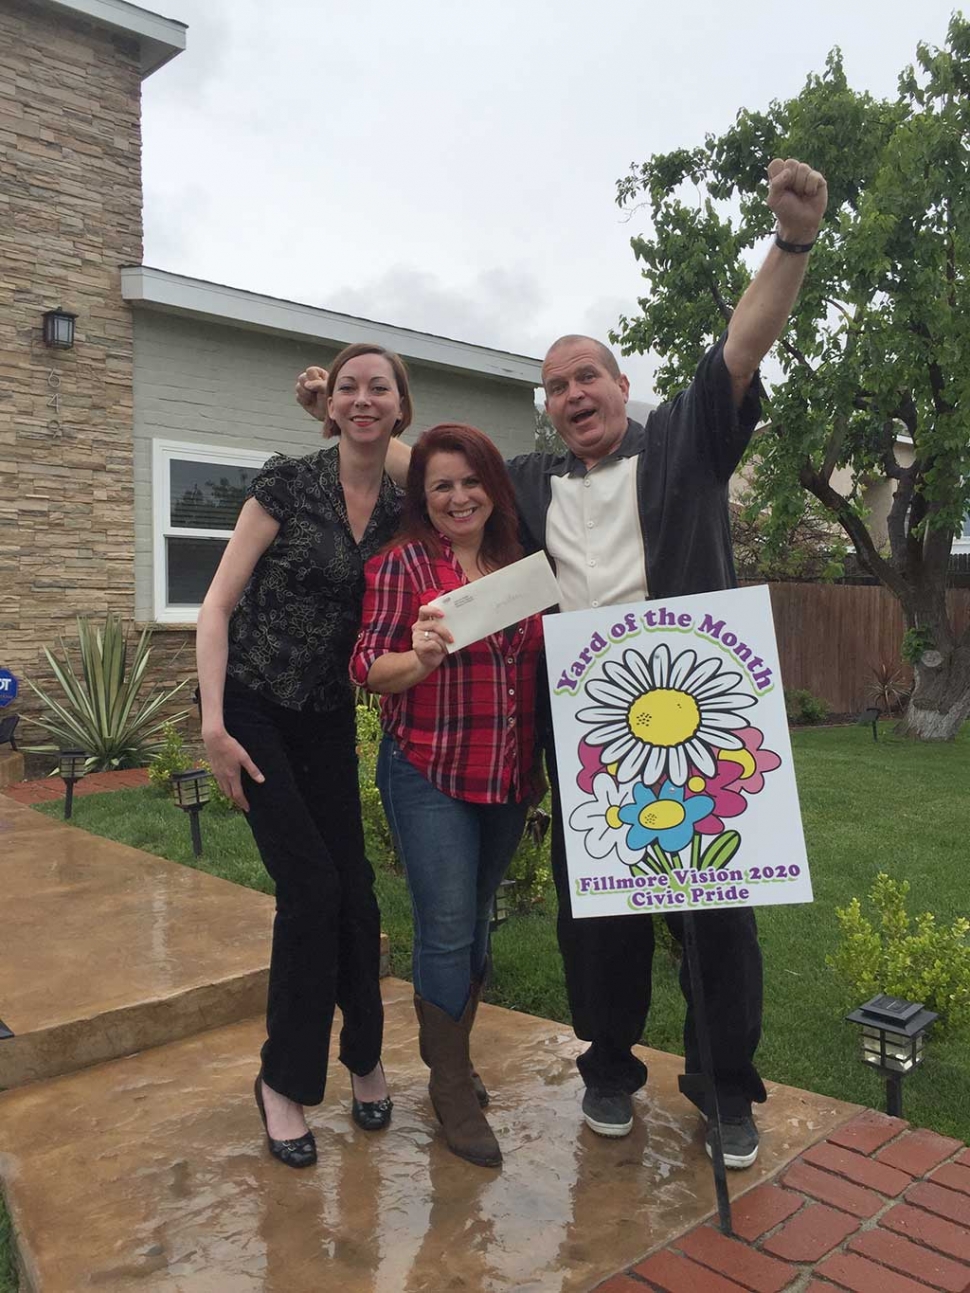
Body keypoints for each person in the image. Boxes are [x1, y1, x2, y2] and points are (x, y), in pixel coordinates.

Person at [299, 157, 828, 1169]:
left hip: (699, 712)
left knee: (715, 916)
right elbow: (440, 476)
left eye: (588, 375)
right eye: (555, 384)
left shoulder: (682, 445)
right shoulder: (529, 485)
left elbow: (742, 344)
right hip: (589, 728)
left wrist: (792, 239)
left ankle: (724, 1090)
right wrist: (350, 416)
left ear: (621, 388)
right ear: (546, 409)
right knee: (601, 924)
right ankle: (609, 1073)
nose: (573, 392)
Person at [197, 342, 412, 1169]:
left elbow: (430, 459)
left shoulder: (400, 506)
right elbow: (216, 605)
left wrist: (348, 404)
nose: (363, 400)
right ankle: (282, 1081)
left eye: (379, 390)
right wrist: (214, 724)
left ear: (400, 406)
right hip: (250, 705)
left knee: (356, 892)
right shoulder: (287, 481)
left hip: (323, 715)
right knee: (311, 887)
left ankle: (363, 1054)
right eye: (349, 387)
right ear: (327, 408)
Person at [350, 424, 546, 1169]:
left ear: (494, 488)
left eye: (471, 482)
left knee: (479, 927)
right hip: (429, 770)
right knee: (448, 925)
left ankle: (455, 1058)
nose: (458, 496)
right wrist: (421, 656)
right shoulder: (403, 563)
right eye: (441, 486)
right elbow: (368, 667)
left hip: (505, 775)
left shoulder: (518, 564)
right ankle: (451, 1088)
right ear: (422, 499)